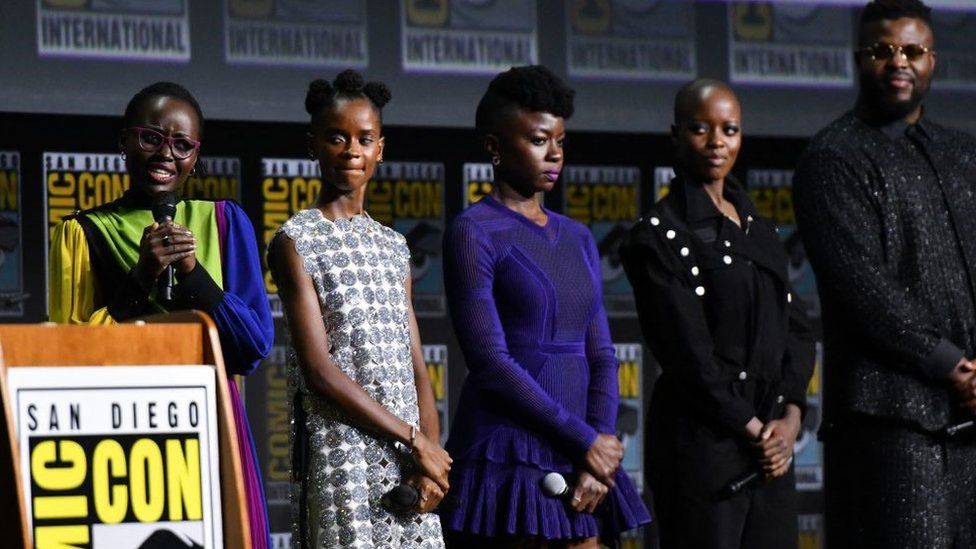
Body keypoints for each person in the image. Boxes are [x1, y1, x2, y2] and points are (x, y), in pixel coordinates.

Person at [48, 82, 274, 548]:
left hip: (213, 422)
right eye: (151, 137)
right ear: (124, 141)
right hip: (121, 433)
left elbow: (252, 346)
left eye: (182, 144)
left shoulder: (224, 222)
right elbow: (69, 357)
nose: (165, 154)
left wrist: (193, 274)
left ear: (196, 154)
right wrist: (142, 276)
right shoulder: (81, 233)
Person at [439, 65, 650, 548]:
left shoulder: (578, 237)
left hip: (583, 457)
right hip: (508, 451)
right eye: (538, 140)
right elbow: (491, 363)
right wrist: (587, 442)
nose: (554, 154)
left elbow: (602, 355)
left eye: (560, 141)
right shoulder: (473, 231)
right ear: (494, 147)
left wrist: (599, 449)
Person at [793, 0, 976, 546]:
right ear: (858, 58)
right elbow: (863, 289)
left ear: (932, 60)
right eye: (882, 50)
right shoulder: (832, 158)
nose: (899, 61)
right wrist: (954, 367)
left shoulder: (964, 154)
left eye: (912, 50)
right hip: (891, 424)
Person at [619, 79, 815, 548]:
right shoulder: (656, 237)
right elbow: (691, 360)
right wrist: (758, 432)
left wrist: (789, 421)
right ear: (676, 135)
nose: (716, 142)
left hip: (772, 449)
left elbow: (797, 330)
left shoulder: (757, 226)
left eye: (729, 129)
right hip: (703, 450)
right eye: (700, 129)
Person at [268, 70, 450, 548]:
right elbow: (319, 372)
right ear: (312, 146)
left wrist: (429, 457)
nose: (351, 150)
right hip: (341, 453)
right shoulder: (295, 241)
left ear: (380, 149)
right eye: (336, 137)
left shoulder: (394, 246)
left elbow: (417, 364)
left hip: (408, 461)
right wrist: (415, 439)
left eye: (364, 139)